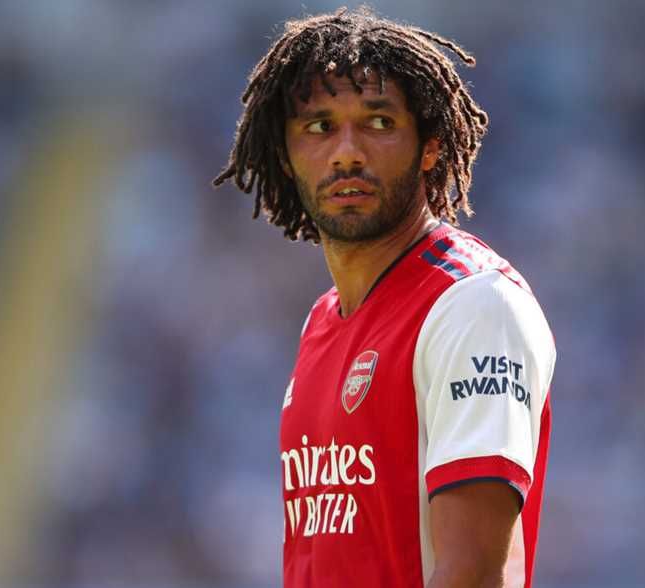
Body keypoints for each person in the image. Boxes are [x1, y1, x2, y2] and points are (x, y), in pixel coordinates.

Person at [214, 8, 556, 587]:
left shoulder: (473, 304)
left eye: (378, 122)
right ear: (286, 157)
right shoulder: (323, 322)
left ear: (430, 148)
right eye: (319, 127)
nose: (347, 153)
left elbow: (473, 574)